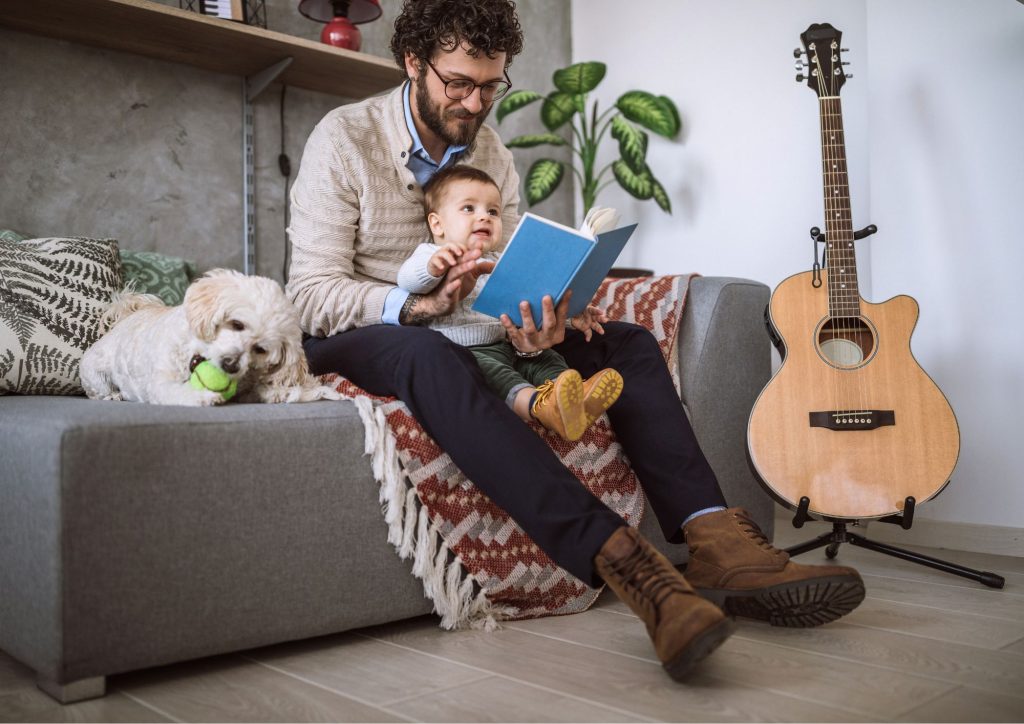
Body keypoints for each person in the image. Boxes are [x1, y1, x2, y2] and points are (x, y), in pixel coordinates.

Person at [287, 0, 865, 682]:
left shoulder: (489, 150)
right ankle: (632, 571)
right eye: (458, 84)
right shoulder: (344, 138)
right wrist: (415, 306)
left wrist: (544, 315)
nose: (475, 103)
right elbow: (310, 295)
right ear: (413, 63)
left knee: (622, 339)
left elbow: (497, 282)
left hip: (469, 325)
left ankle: (716, 541)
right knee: (430, 351)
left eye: (490, 84)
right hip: (367, 331)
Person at [397, 164, 624, 441]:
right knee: (496, 373)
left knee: (548, 360)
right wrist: (433, 267)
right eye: (469, 208)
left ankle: (574, 401)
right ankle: (538, 407)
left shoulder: (502, 260)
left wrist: (571, 314)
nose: (485, 217)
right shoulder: (432, 254)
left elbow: (527, 300)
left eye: (492, 211)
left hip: (509, 343)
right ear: (437, 223)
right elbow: (408, 281)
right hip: (467, 349)